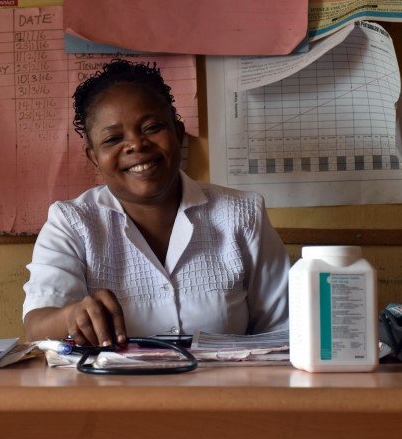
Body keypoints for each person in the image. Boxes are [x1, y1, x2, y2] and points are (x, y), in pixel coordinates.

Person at [23, 59, 289, 346]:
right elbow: (37, 324)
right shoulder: (72, 223)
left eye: (151, 128)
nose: (136, 145)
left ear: (177, 133)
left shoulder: (241, 215)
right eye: (113, 139)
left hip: (227, 390)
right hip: (114, 391)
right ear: (94, 158)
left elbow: (284, 329)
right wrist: (71, 315)